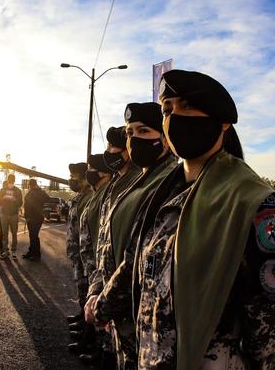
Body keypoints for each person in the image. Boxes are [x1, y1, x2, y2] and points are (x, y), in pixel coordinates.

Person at [132, 69, 275, 369]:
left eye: (186, 107)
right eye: (167, 109)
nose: (173, 118)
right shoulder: (163, 193)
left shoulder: (250, 198)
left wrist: (236, 359)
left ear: (222, 123)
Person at [85, 102, 177, 370]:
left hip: (140, 316)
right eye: (129, 132)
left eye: (144, 131)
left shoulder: (167, 182)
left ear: (165, 138)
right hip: (119, 310)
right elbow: (106, 243)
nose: (134, 138)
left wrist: (103, 303)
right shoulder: (142, 180)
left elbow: (139, 256)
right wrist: (96, 289)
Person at [74, 153, 115, 366]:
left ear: (104, 172)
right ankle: (90, 340)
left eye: (93, 169)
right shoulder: (97, 194)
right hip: (90, 262)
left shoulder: (106, 194)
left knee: (100, 312)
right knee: (90, 303)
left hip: (98, 264)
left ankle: (96, 348)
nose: (89, 173)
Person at [66, 162, 94, 325]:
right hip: (77, 251)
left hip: (83, 252)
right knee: (80, 286)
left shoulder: (88, 197)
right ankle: (81, 315)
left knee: (85, 286)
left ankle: (86, 327)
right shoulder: (80, 197)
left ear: (84, 178)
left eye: (73, 177)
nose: (71, 180)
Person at [22, 179, 50, 261]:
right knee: (33, 235)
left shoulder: (29, 194)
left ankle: (36, 255)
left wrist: (26, 217)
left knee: (34, 236)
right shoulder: (40, 192)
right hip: (38, 217)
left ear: (30, 185)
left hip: (32, 218)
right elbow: (47, 198)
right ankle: (31, 252)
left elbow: (26, 207)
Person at [0, 174, 23, 260]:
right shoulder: (3, 190)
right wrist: (3, 198)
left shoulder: (18, 191)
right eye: (10, 181)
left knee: (14, 234)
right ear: (8, 181)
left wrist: (15, 200)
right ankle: (5, 251)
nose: (11, 183)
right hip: (4, 214)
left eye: (12, 181)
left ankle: (14, 251)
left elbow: (20, 203)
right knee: (4, 234)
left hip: (14, 215)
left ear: (14, 181)